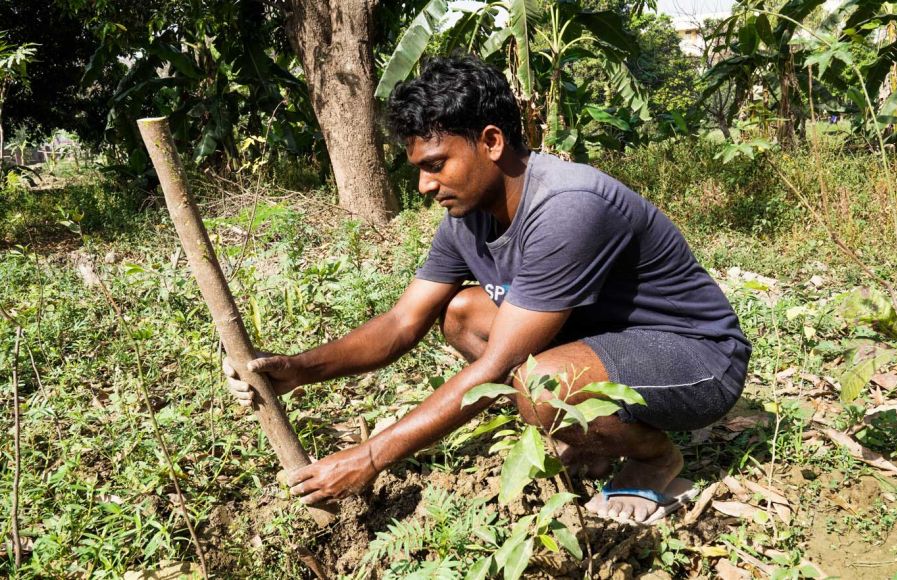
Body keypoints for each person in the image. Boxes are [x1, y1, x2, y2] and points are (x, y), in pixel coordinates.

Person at [223, 56, 750, 524]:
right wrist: (298, 369)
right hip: (606, 341)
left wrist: (372, 456)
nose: (426, 186)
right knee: (462, 314)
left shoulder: (567, 205)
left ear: (492, 142)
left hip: (696, 358)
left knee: (540, 383)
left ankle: (654, 457)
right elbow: (404, 322)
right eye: (419, 170)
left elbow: (497, 367)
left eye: (436, 164)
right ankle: (589, 432)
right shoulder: (468, 216)